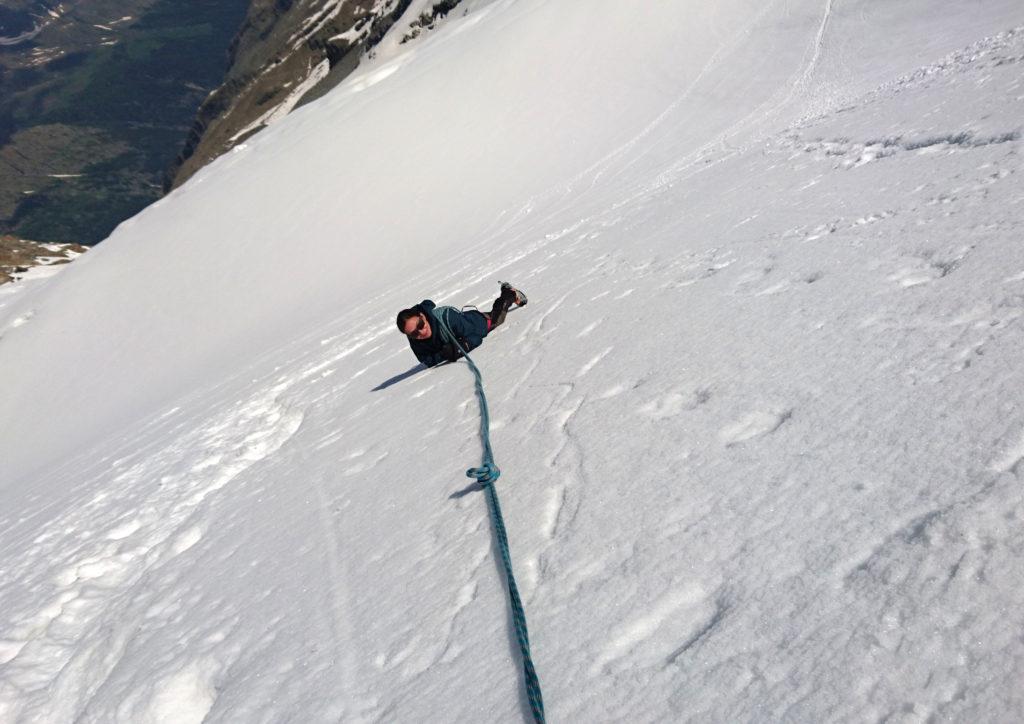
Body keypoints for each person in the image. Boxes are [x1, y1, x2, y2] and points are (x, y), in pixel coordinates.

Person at [397, 282, 527, 367]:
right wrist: (444, 354)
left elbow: (476, 336)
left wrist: (460, 347)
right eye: (414, 333)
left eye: (420, 325)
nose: (420, 332)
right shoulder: (414, 339)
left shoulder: (447, 317)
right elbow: (426, 360)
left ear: (422, 316)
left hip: (477, 323)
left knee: (497, 318)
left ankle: (509, 293)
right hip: (465, 321)